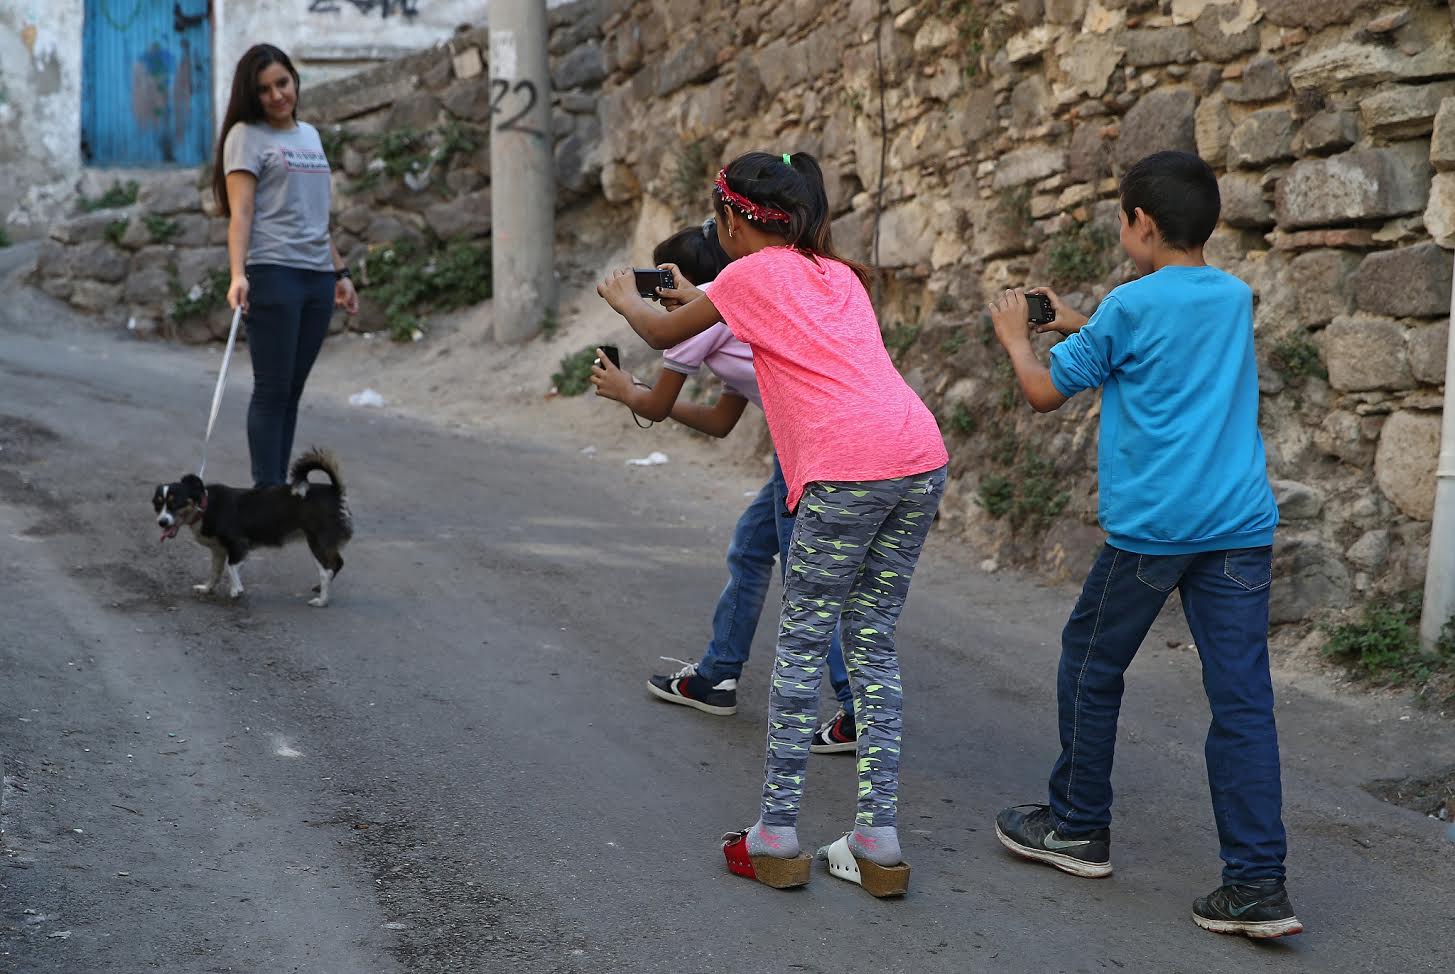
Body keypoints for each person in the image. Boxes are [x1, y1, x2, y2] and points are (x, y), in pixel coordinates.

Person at [597, 152, 948, 896]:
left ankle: (776, 836)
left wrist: (626, 298)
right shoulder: (836, 274)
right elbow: (746, 311)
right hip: (917, 456)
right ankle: (877, 840)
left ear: (730, 218)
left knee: (799, 649)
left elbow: (661, 335)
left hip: (843, 469)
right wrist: (696, 295)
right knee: (872, 644)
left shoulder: (747, 276)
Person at [986, 150, 1301, 939]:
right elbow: (1161, 347)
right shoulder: (1231, 296)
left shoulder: (1128, 306)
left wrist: (1017, 339)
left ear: (1142, 224)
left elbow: (1043, 392)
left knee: (1089, 665)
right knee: (1241, 702)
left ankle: (1075, 826)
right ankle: (1256, 884)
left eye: (1123, 218)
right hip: (1237, 528)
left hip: (1153, 532)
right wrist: (1078, 322)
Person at [590, 220, 859, 751]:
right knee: (751, 548)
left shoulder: (704, 317)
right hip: (803, 446)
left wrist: (627, 390)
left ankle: (856, 709)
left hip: (813, 449)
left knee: (810, 580)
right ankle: (718, 675)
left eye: (663, 286)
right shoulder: (736, 318)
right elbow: (720, 421)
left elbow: (657, 402)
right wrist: (638, 389)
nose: (661, 299)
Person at [212, 43, 358, 488]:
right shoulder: (245, 136)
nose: (277, 95)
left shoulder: (309, 135)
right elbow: (241, 213)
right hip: (273, 274)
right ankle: (267, 492)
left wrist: (340, 273)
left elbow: (313, 218)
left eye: (282, 83)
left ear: (295, 80)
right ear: (251, 95)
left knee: (291, 392)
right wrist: (238, 274)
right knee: (272, 390)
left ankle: (278, 496)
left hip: (317, 280)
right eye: (264, 89)